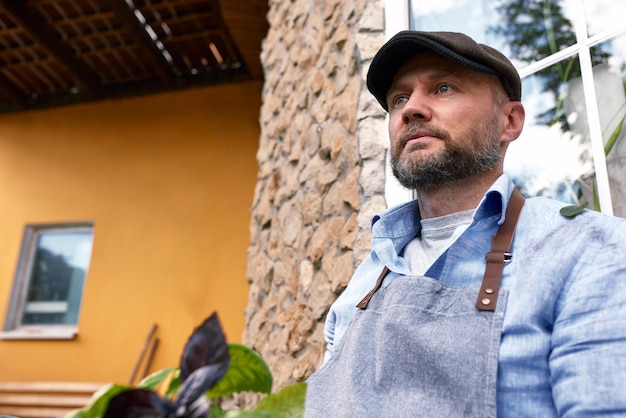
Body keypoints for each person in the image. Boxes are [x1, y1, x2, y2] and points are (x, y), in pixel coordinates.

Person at [304, 31, 626, 417]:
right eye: (399, 99)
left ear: (509, 121)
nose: (411, 109)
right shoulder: (364, 282)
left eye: (443, 87)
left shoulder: (591, 250)